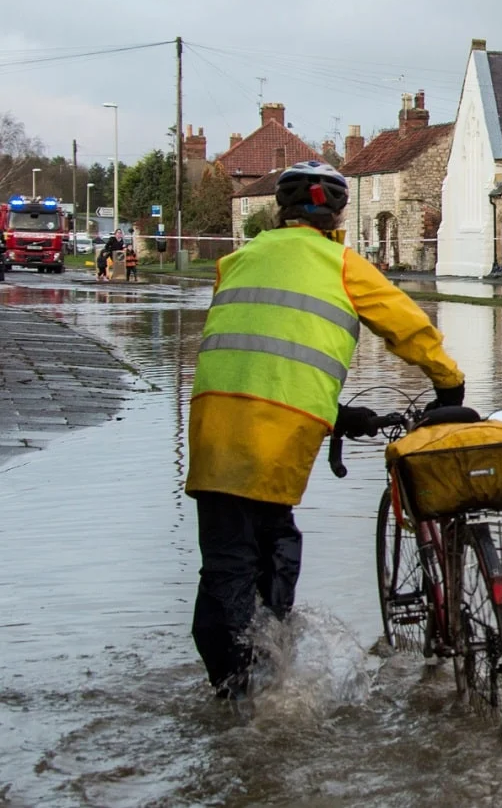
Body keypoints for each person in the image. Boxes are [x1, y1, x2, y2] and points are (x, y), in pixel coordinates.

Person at [185, 160, 465, 700]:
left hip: (213, 427)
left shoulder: (235, 262)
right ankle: (261, 681)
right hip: (279, 434)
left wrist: (334, 414)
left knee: (226, 560)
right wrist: (449, 386)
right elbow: (408, 326)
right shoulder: (342, 265)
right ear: (337, 214)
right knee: (271, 550)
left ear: (279, 212)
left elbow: (259, 351)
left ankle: (234, 687)